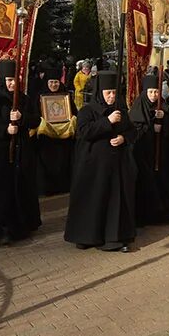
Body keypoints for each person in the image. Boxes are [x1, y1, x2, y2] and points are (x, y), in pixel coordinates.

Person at [64, 71, 137, 252]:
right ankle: (87, 236)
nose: (112, 96)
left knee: (114, 202)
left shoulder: (120, 110)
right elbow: (84, 132)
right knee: (93, 200)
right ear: (100, 93)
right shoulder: (87, 111)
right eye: (108, 93)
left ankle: (114, 238)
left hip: (115, 166)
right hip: (93, 167)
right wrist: (107, 121)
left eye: (114, 92)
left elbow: (132, 131)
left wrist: (123, 138)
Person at [0, 60, 42, 244]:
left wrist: (22, 118)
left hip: (22, 151)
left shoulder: (24, 99)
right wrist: (4, 130)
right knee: (1, 191)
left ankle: (23, 225)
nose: (12, 83)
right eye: (9, 80)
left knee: (21, 188)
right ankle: (2, 229)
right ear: (2, 80)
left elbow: (36, 120)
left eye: (15, 80)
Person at [129, 72, 169, 224]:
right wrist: (153, 127)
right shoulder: (138, 108)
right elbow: (135, 131)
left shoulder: (163, 106)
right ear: (145, 92)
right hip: (144, 155)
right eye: (151, 92)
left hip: (162, 156)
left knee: (162, 182)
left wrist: (164, 120)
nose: (154, 95)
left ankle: (162, 213)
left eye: (156, 92)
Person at [34, 69, 77, 196]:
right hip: (47, 141)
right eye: (51, 82)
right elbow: (35, 116)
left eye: (56, 82)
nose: (54, 85)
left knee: (63, 162)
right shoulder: (40, 97)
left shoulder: (65, 96)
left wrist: (73, 119)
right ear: (46, 83)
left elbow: (74, 112)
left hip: (64, 141)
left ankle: (64, 186)